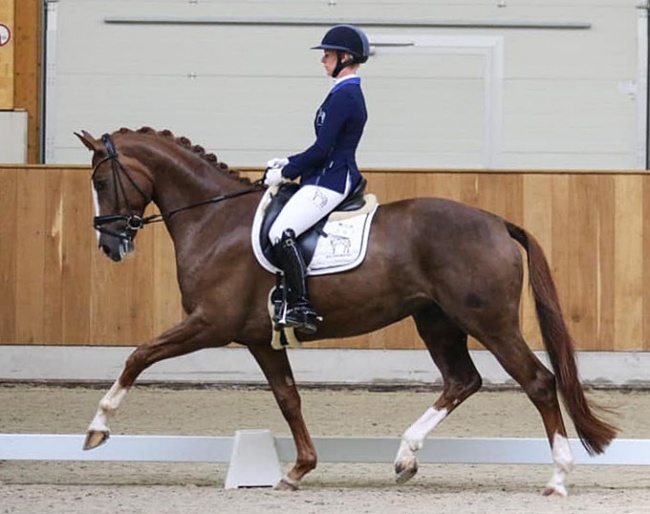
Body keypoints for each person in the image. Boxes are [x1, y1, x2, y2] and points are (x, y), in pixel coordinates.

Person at [264, 24, 370, 334]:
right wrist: (290, 161)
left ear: (345, 57)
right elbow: (324, 146)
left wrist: (286, 172)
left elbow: (324, 149)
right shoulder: (340, 93)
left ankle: (302, 306)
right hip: (324, 174)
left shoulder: (346, 95)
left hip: (333, 180)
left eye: (328, 54)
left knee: (281, 232)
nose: (323, 59)